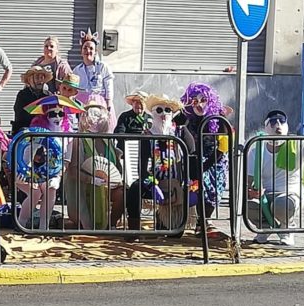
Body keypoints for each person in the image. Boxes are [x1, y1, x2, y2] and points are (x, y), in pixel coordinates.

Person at [246, 110, 304, 246]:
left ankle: (287, 228)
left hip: (290, 193)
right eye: (273, 122)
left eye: (282, 121)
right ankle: (265, 227)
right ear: (266, 127)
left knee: (282, 204)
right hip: (265, 194)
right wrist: (253, 191)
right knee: (248, 204)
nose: (278, 125)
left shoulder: (297, 144)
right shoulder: (257, 148)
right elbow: (250, 180)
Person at [125, 93, 194, 233]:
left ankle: (190, 224)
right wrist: (151, 183)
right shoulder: (147, 135)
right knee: (133, 189)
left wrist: (191, 182)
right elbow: (142, 166)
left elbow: (192, 157)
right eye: (159, 110)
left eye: (167, 110)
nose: (163, 114)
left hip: (177, 183)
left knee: (173, 235)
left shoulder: (181, 132)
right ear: (152, 113)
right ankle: (134, 231)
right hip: (154, 182)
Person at [10, 95, 77, 231]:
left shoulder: (68, 134)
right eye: (53, 113)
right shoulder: (37, 133)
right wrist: (29, 174)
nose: (57, 117)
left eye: (61, 113)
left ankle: (43, 227)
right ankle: (20, 224)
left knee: (51, 189)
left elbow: (66, 159)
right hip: (29, 171)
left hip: (52, 172)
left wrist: (58, 175)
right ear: (46, 115)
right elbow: (27, 154)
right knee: (35, 193)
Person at [63, 101, 125, 230]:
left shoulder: (107, 141)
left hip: (108, 185)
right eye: (92, 116)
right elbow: (73, 170)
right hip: (85, 187)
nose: (96, 120)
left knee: (122, 192)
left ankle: (111, 224)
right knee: (82, 224)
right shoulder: (78, 140)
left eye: (99, 116)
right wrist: (92, 180)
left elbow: (115, 168)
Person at [180, 82, 230, 236]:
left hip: (216, 159)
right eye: (195, 101)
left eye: (203, 100)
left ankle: (203, 221)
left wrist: (207, 164)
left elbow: (224, 145)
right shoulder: (187, 117)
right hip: (194, 158)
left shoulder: (219, 118)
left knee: (213, 189)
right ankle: (196, 222)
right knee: (198, 185)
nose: (199, 105)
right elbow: (172, 121)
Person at [73, 30, 114, 112]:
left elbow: (108, 86)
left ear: (95, 52)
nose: (88, 51)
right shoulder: (76, 70)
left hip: (100, 103)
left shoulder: (103, 67)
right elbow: (73, 89)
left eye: (91, 48)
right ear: (81, 52)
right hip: (82, 104)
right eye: (85, 48)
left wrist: (108, 102)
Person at [11, 66, 55, 135]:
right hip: (25, 132)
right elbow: (20, 116)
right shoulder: (22, 95)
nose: (40, 81)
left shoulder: (48, 96)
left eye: (42, 77)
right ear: (29, 79)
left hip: (45, 131)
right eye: (37, 77)